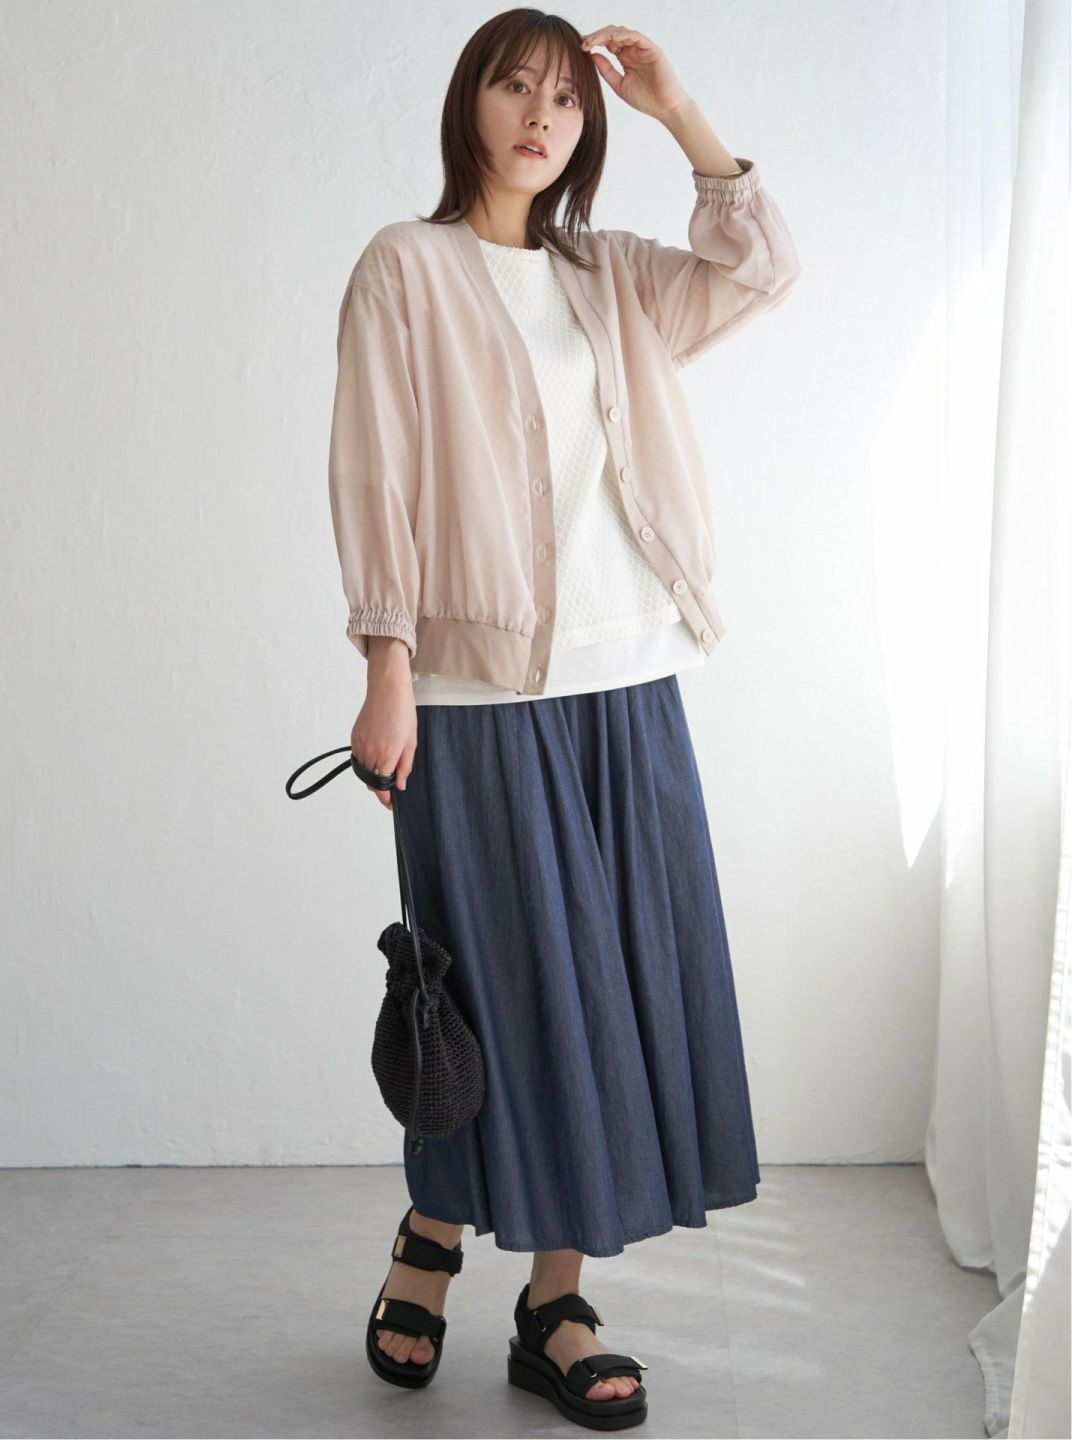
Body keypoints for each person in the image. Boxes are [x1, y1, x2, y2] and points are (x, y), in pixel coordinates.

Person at [326, 8, 801, 1428]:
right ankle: (431, 1237)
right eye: (513, 87)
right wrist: (387, 663)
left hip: (630, 676)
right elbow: (376, 471)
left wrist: (676, 109)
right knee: (503, 995)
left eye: (564, 98)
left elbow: (764, 267)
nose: (542, 114)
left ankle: (555, 1303)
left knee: (614, 993)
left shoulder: (612, 276)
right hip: (477, 691)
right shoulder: (406, 268)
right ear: (468, 105)